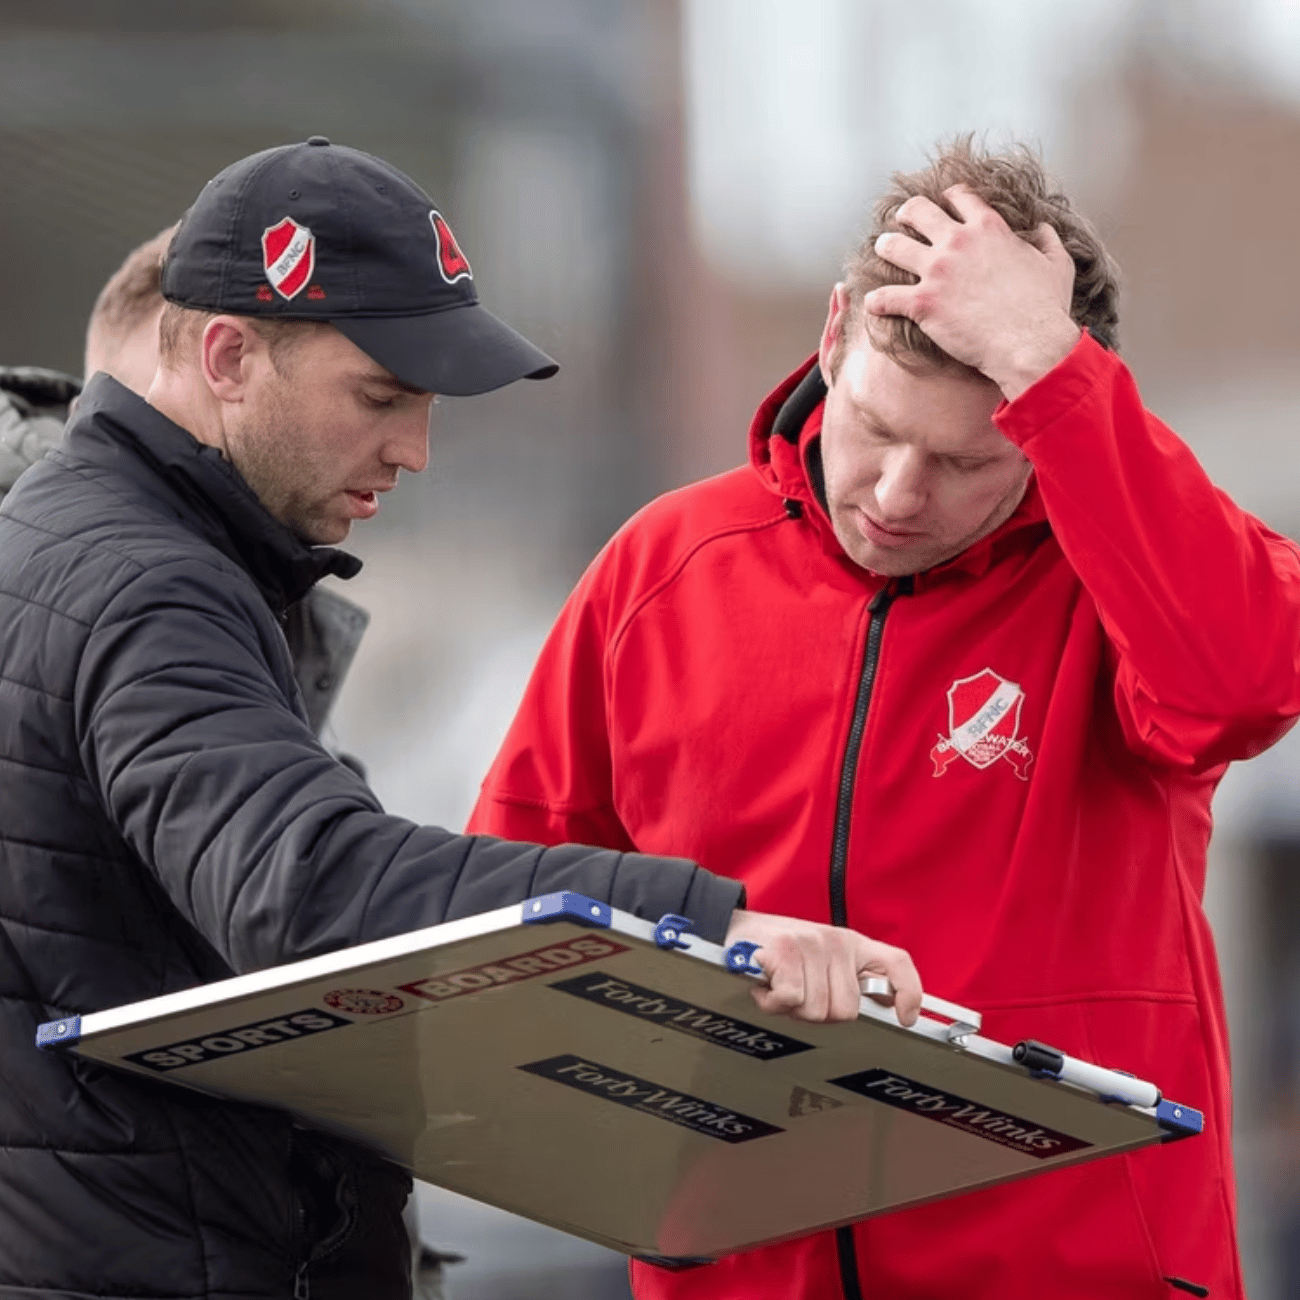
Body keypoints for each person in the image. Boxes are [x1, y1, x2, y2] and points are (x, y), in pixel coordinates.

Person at [0, 138, 918, 1300]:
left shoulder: (77, 541)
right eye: (380, 396)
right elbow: (308, 890)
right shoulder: (149, 581)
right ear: (227, 354)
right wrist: (699, 932)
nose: (414, 450)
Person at [468, 138, 1300, 1300]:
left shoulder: (1121, 574)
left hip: (1075, 1274)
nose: (900, 494)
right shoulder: (661, 568)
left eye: (965, 460)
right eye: (875, 426)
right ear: (831, 337)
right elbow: (515, 912)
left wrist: (1046, 356)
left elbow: (1246, 682)